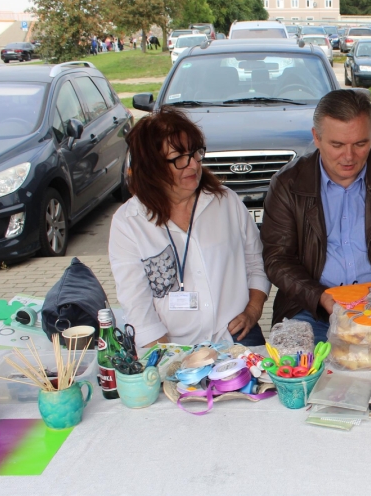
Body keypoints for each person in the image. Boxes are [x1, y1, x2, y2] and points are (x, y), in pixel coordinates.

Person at [261, 89, 371, 343]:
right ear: (316, 138)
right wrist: (320, 297)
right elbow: (277, 259)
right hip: (311, 309)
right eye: (337, 145)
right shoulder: (288, 184)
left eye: (360, 143)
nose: (349, 156)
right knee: (304, 375)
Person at [109, 107, 270, 348]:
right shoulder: (129, 223)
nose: (193, 165)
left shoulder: (225, 202)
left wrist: (253, 310)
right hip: (171, 346)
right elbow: (137, 307)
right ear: (152, 167)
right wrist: (169, 360)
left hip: (236, 338)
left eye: (195, 154)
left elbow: (257, 262)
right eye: (179, 158)